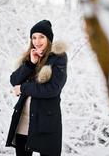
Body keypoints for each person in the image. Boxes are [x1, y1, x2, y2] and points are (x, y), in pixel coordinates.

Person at [5, 19, 67, 156]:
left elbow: (53, 89)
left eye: (41, 37)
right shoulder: (31, 55)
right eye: (34, 37)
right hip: (23, 120)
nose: (37, 41)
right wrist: (30, 64)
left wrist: (23, 88)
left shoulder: (58, 58)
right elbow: (14, 80)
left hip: (46, 122)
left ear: (49, 39)